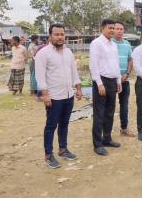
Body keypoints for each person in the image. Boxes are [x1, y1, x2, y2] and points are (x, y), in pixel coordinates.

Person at [35, 23, 82, 168]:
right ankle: (48, 155)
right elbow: (40, 76)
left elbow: (74, 71)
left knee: (64, 124)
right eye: (57, 34)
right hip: (53, 97)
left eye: (62, 34)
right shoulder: (43, 53)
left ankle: (63, 149)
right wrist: (45, 94)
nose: (60, 37)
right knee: (51, 126)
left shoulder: (68, 52)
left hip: (68, 95)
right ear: (50, 36)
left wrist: (78, 88)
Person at [89, 19, 122, 156]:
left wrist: (118, 80)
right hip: (101, 81)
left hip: (112, 81)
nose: (112, 30)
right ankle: (97, 144)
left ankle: (107, 138)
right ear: (102, 28)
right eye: (110, 28)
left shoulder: (113, 45)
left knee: (110, 112)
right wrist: (99, 83)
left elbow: (116, 63)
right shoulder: (96, 44)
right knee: (99, 113)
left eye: (114, 28)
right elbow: (93, 64)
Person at [111, 21, 135, 137]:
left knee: (124, 105)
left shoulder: (127, 44)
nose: (119, 31)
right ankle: (106, 131)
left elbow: (130, 59)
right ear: (113, 30)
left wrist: (127, 74)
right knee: (109, 105)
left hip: (124, 80)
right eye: (117, 29)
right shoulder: (109, 43)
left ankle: (124, 128)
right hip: (111, 80)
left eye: (121, 29)